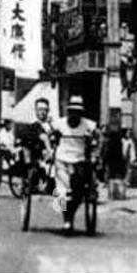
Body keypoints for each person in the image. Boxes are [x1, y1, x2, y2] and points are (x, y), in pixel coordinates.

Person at [48, 96, 99, 234]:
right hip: (61, 160)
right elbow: (49, 136)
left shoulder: (89, 125)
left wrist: (93, 146)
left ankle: (70, 216)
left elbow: (97, 141)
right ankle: (67, 220)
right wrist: (53, 138)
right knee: (62, 192)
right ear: (68, 112)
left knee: (78, 192)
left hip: (79, 161)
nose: (74, 115)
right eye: (72, 112)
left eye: (77, 112)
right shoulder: (59, 124)